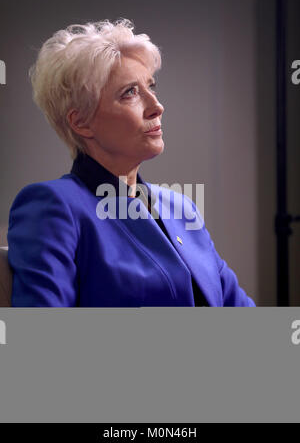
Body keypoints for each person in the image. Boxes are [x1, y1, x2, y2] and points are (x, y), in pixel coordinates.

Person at [7, 19, 255, 307]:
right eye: (130, 93)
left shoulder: (180, 207)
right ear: (82, 122)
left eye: (151, 87)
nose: (156, 106)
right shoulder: (53, 206)